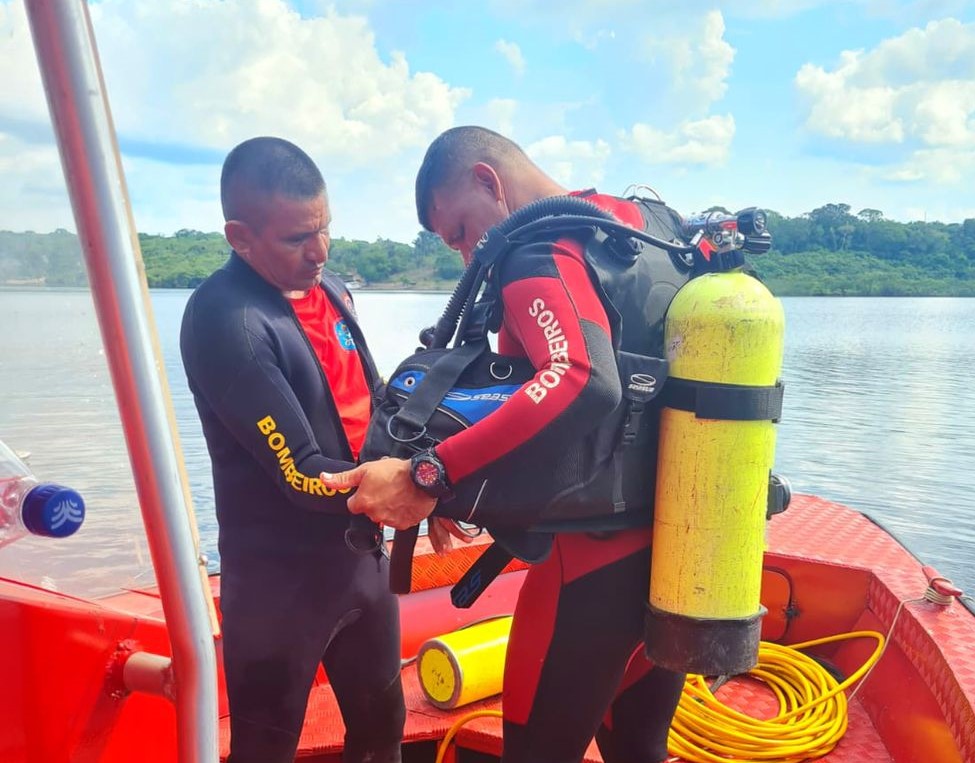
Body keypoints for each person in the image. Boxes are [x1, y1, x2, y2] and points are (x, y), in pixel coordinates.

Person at [321, 126, 685, 763]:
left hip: (590, 568)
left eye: (460, 232)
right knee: (638, 747)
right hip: (680, 546)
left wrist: (430, 475)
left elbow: (578, 380)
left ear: (489, 182)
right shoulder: (639, 228)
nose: (468, 256)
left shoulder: (535, 251)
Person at [180, 136, 404, 763]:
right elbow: (300, 475)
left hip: (362, 566)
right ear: (240, 237)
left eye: (325, 229)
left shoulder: (332, 291)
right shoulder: (226, 320)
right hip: (279, 585)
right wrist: (408, 490)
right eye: (295, 239)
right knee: (264, 750)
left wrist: (429, 470)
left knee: (383, 732)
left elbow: (378, 402)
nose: (319, 251)